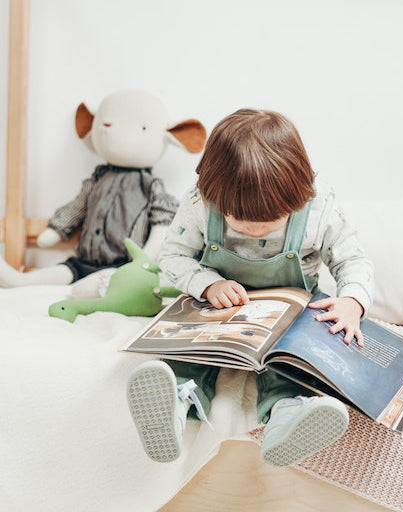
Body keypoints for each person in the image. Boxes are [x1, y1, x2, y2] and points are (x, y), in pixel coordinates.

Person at [127, 109, 374, 467]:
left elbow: (354, 260)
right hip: (218, 310)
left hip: (291, 315)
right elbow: (174, 255)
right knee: (193, 355)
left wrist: (352, 301)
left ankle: (288, 416)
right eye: (238, 219)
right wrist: (207, 284)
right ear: (212, 194)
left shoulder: (320, 209)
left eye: (271, 222)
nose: (254, 230)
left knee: (292, 365)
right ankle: (174, 404)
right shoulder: (199, 204)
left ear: (300, 194)